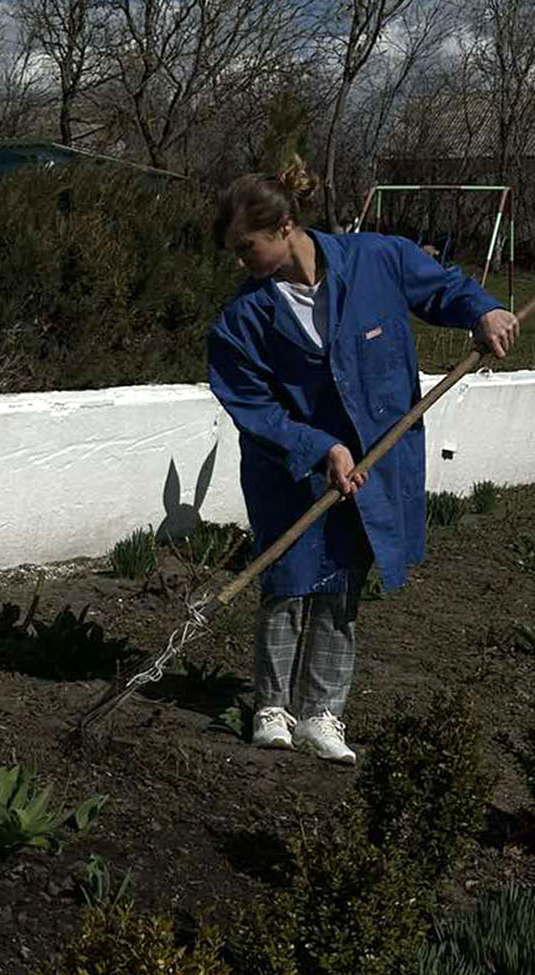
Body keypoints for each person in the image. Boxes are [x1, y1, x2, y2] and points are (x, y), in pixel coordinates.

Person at [207, 156, 517, 765]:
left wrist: (483, 310)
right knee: (290, 576)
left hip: (374, 458)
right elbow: (250, 402)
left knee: (343, 579)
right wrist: (318, 447)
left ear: (285, 227)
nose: (240, 263)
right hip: (290, 466)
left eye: (246, 248)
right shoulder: (243, 317)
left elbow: (444, 288)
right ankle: (272, 706)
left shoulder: (378, 259)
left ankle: (323, 713)